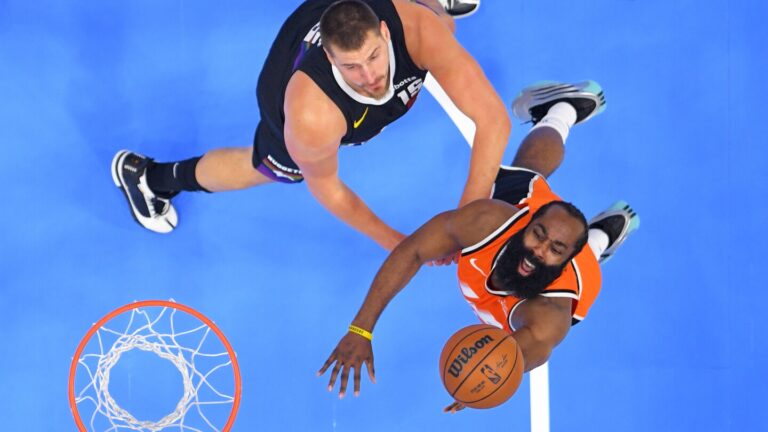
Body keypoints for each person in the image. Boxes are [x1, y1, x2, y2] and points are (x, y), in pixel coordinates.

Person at [317, 80, 641, 410]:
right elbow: (413, 250)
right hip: (527, 214)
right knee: (529, 172)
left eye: (555, 250)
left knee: (589, 256)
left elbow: (510, 361)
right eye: (538, 234)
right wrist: (361, 329)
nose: (538, 249)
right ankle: (563, 110)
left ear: (564, 261)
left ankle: (600, 238)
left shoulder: (547, 317)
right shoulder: (489, 221)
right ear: (526, 222)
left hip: (578, 277)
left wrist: (481, 386)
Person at [111, 0, 506, 252]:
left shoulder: (420, 29)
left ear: (385, 33)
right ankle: (149, 177)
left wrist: (463, 223)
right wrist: (400, 244)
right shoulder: (311, 116)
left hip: (374, 16)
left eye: (373, 56)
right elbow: (330, 190)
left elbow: (493, 120)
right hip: (288, 81)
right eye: (352, 66)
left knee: (440, 23)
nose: (370, 76)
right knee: (267, 168)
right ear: (331, 59)